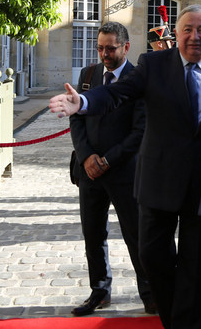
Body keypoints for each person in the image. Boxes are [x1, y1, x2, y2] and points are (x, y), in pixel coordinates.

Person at [49, 4, 201, 329]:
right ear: (176, 34)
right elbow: (117, 93)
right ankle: (173, 317)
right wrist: (83, 103)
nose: (195, 36)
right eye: (187, 30)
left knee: (200, 266)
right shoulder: (152, 65)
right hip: (157, 182)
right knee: (152, 257)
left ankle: (194, 324)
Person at [69, 21, 154, 316]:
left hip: (124, 171)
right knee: (93, 233)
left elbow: (140, 130)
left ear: (126, 47)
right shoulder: (88, 74)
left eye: (110, 48)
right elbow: (77, 118)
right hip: (89, 171)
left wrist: (108, 160)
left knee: (136, 234)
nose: (104, 54)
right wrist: (87, 156)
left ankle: (150, 292)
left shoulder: (138, 78)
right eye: (100, 48)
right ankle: (100, 290)